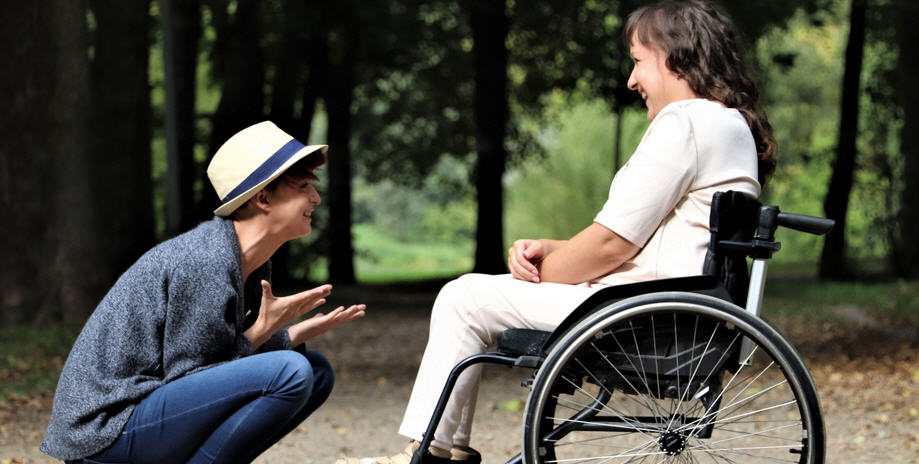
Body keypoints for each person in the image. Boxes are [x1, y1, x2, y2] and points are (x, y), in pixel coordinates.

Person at [337, 1, 775, 463]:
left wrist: (544, 270)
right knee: (475, 294)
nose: (631, 80)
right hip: (679, 305)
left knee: (463, 298)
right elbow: (651, 239)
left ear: (672, 56)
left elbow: (612, 244)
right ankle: (439, 450)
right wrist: (554, 249)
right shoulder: (729, 125)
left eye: (637, 61)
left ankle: (431, 454)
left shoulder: (684, 122)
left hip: (645, 313)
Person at [41, 121, 366, 463]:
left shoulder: (249, 261)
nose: (316, 197)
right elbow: (191, 377)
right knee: (290, 372)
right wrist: (262, 333)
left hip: (146, 413)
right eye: (303, 185)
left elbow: (215, 362)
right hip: (106, 430)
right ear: (263, 196)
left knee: (314, 372)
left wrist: (286, 335)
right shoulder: (204, 260)